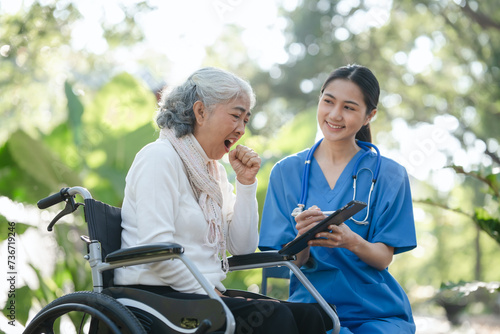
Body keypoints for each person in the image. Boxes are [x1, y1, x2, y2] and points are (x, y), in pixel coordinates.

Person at [114, 67, 331, 334]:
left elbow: (242, 247)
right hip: (156, 298)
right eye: (235, 116)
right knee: (276, 319)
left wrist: (246, 183)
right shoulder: (159, 158)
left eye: (245, 121)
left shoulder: (212, 174)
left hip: (201, 295)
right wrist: (212, 294)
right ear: (201, 112)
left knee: (313, 317)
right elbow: (157, 255)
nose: (241, 130)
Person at [259, 64, 417, 334]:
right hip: (313, 309)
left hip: (377, 313)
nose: (334, 115)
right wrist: (303, 239)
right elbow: (288, 263)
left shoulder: (390, 175)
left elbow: (383, 259)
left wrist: (352, 241)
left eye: (349, 107)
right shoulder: (286, 173)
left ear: (370, 116)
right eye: (328, 102)